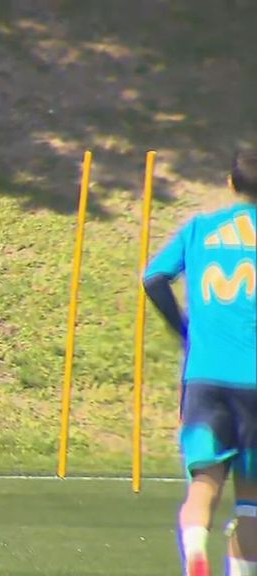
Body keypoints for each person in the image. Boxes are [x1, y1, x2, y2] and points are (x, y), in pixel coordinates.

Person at [144, 150, 257, 576]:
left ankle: (196, 555)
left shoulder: (200, 229)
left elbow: (153, 278)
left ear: (231, 183)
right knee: (251, 503)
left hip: (207, 376)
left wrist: (184, 330)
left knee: (204, 485)